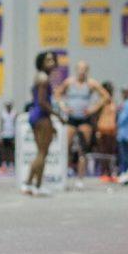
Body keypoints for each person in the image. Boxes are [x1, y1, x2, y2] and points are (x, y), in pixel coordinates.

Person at [53, 60, 109, 189]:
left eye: (84, 69)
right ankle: (63, 177)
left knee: (82, 150)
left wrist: (93, 108)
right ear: (76, 70)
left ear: (87, 71)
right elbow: (57, 94)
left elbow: (105, 96)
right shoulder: (69, 82)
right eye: (79, 69)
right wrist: (63, 106)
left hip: (85, 119)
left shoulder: (91, 83)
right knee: (66, 147)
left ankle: (80, 179)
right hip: (71, 118)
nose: (81, 71)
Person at [22, 50, 64, 196]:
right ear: (41, 62)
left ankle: (31, 185)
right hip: (41, 116)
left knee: (41, 152)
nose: (51, 63)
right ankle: (33, 184)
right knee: (42, 153)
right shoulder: (44, 78)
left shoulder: (39, 77)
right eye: (48, 60)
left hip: (36, 115)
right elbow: (42, 102)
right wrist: (58, 116)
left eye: (53, 60)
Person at [0, 101, 16, 170]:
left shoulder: (14, 113)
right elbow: (1, 124)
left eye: (9, 106)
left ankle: (11, 163)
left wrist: (15, 135)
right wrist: (0, 135)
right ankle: (4, 163)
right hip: (5, 134)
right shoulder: (3, 113)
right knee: (4, 150)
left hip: (12, 134)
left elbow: (15, 124)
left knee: (11, 150)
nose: (8, 107)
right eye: (7, 106)